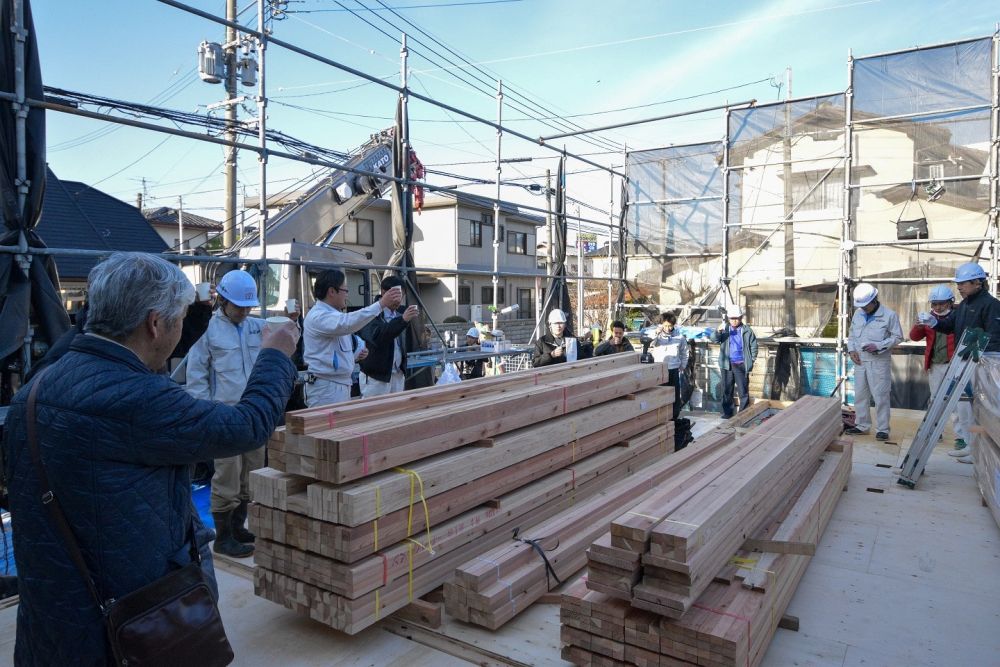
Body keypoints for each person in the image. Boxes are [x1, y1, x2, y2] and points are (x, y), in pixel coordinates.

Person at [1, 252, 298, 666]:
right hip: (128, 627)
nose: (182, 330)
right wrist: (276, 357)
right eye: (178, 320)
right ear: (155, 324)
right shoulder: (139, 398)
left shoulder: (37, 386)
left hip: (51, 618)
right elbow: (247, 427)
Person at [186, 269, 267, 558]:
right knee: (227, 476)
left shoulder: (257, 326)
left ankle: (239, 527)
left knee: (252, 473)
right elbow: (196, 375)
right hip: (224, 414)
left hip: (253, 413)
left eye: (248, 306)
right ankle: (223, 538)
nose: (245, 311)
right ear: (223, 300)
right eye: (239, 306)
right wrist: (205, 413)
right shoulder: (207, 330)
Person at [918, 262, 1000, 461]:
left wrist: (982, 359)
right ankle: (970, 445)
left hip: (979, 364)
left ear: (977, 282)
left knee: (979, 409)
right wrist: (934, 322)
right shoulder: (965, 304)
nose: (959, 287)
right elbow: (952, 326)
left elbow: (995, 337)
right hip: (963, 361)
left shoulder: (990, 305)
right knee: (964, 407)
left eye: (963, 283)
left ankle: (978, 450)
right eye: (959, 284)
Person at [302, 269, 400, 407]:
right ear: (332, 291)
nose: (347, 295)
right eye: (345, 290)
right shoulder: (318, 316)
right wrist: (381, 304)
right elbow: (346, 323)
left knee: (340, 428)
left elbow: (340, 344)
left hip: (337, 385)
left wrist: (356, 353)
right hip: (326, 388)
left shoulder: (333, 315)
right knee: (329, 428)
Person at [910, 285, 974, 459]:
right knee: (936, 399)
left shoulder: (959, 316)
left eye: (942, 304)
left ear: (950, 302)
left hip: (955, 363)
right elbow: (914, 337)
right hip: (936, 364)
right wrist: (918, 325)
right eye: (935, 304)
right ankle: (933, 430)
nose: (938, 307)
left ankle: (961, 437)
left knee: (959, 402)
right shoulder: (930, 318)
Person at [845, 283, 903, 440]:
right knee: (860, 395)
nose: (863, 308)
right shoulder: (858, 314)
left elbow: (898, 337)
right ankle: (862, 425)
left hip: (878, 362)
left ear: (874, 300)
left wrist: (879, 346)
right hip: (860, 362)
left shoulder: (889, 315)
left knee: (881, 396)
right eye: (861, 306)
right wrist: (851, 350)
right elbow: (851, 335)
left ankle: (882, 429)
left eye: (866, 305)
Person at [358, 276, 420, 397]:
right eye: (395, 295)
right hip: (376, 376)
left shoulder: (401, 313)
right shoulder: (370, 313)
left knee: (397, 412)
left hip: (397, 373)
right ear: (383, 292)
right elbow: (378, 337)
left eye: (401, 295)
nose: (398, 300)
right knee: (375, 412)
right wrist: (402, 320)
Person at [711, 305, 758, 419]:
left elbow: (754, 346)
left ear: (741, 317)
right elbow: (714, 339)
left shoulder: (747, 330)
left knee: (743, 390)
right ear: (728, 318)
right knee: (727, 390)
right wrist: (718, 331)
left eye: (737, 318)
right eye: (732, 318)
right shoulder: (724, 328)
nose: (734, 320)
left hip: (741, 364)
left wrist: (751, 360)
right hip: (727, 365)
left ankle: (743, 414)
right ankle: (728, 413)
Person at [651, 312, 689, 421]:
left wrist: (682, 365)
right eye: (665, 325)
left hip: (673, 370)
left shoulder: (680, 337)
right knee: (660, 394)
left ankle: (674, 417)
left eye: (670, 326)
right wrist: (655, 334)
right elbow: (650, 344)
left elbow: (685, 352)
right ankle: (659, 417)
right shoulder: (657, 335)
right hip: (659, 369)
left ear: (673, 325)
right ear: (662, 324)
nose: (667, 328)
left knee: (674, 395)